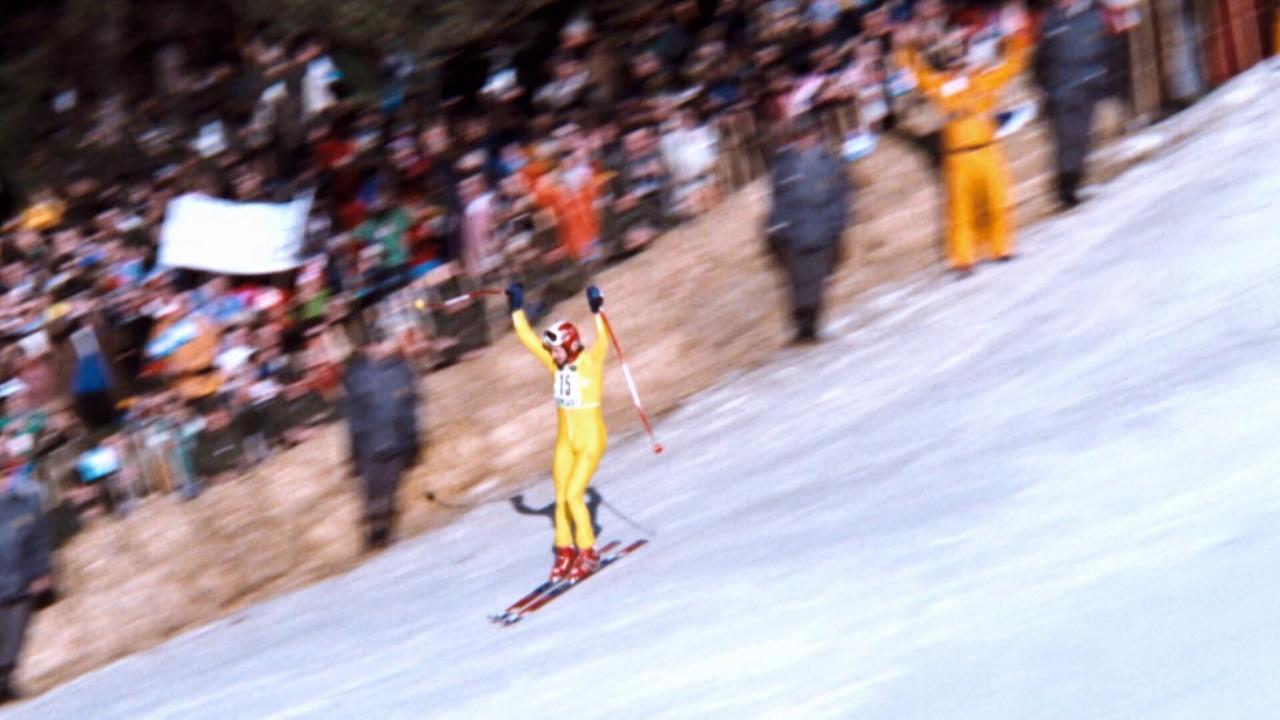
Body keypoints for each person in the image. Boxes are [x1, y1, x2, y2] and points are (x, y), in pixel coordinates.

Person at [896, 25, 1030, 275]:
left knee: (998, 200)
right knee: (961, 209)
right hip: (958, 157)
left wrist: (1016, 39)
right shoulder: (940, 86)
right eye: (952, 64)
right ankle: (963, 258)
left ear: (967, 62)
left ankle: (1001, 248)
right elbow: (916, 73)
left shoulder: (984, 80)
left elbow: (1012, 67)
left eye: (960, 62)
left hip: (988, 150)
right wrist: (906, 49)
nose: (957, 68)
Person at [506, 282, 609, 582]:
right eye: (551, 349)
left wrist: (597, 307)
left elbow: (603, 338)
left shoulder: (590, 362)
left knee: (576, 495)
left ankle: (589, 552)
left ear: (570, 345)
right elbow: (526, 337)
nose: (552, 354)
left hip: (590, 441)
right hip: (565, 442)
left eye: (556, 349)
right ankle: (566, 551)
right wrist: (516, 308)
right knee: (561, 496)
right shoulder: (555, 366)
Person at [765, 115, 851, 343]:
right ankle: (801, 328)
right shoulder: (784, 165)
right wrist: (776, 226)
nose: (805, 140)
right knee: (797, 282)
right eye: (799, 136)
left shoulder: (830, 163)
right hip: (794, 231)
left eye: (809, 134)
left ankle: (812, 326)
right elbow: (777, 199)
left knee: (818, 280)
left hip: (822, 230)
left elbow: (840, 197)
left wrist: (837, 226)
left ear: (817, 135)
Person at [341, 321, 421, 550]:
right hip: (369, 441)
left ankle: (386, 532)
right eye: (370, 346)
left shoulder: (400, 369)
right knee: (371, 491)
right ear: (363, 349)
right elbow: (352, 415)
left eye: (379, 344)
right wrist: (353, 449)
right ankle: (373, 534)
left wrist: (413, 436)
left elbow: (410, 405)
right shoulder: (356, 375)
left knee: (390, 488)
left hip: (395, 437)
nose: (376, 349)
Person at [1033, 0, 1111, 209]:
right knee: (1066, 139)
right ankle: (1066, 188)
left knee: (1083, 136)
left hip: (1086, 84)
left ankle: (1075, 180)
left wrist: (1097, 74)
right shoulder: (1050, 20)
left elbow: (1102, 45)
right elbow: (1040, 58)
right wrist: (1047, 85)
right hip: (1062, 90)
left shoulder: (1090, 14)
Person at [0, 453, 52, 703]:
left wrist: (41, 571)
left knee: (16, 635)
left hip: (21, 580)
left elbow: (38, 540)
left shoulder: (26, 499)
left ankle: (6, 680)